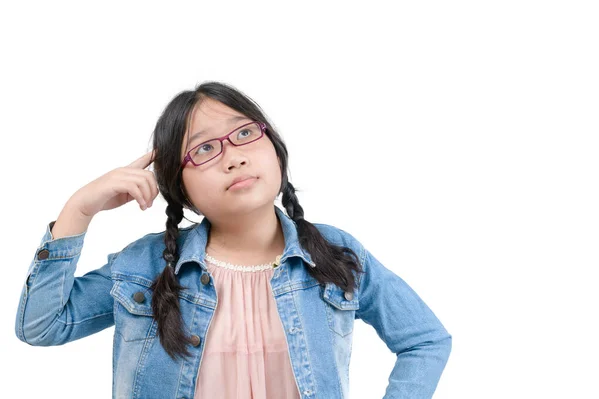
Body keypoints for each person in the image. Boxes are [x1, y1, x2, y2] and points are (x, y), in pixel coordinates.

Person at [15, 81, 452, 399]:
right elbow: (41, 326)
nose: (233, 155)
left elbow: (425, 340)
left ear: (275, 149)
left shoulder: (335, 254)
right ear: (178, 186)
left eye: (244, 133)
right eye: (204, 149)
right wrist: (79, 210)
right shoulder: (145, 265)